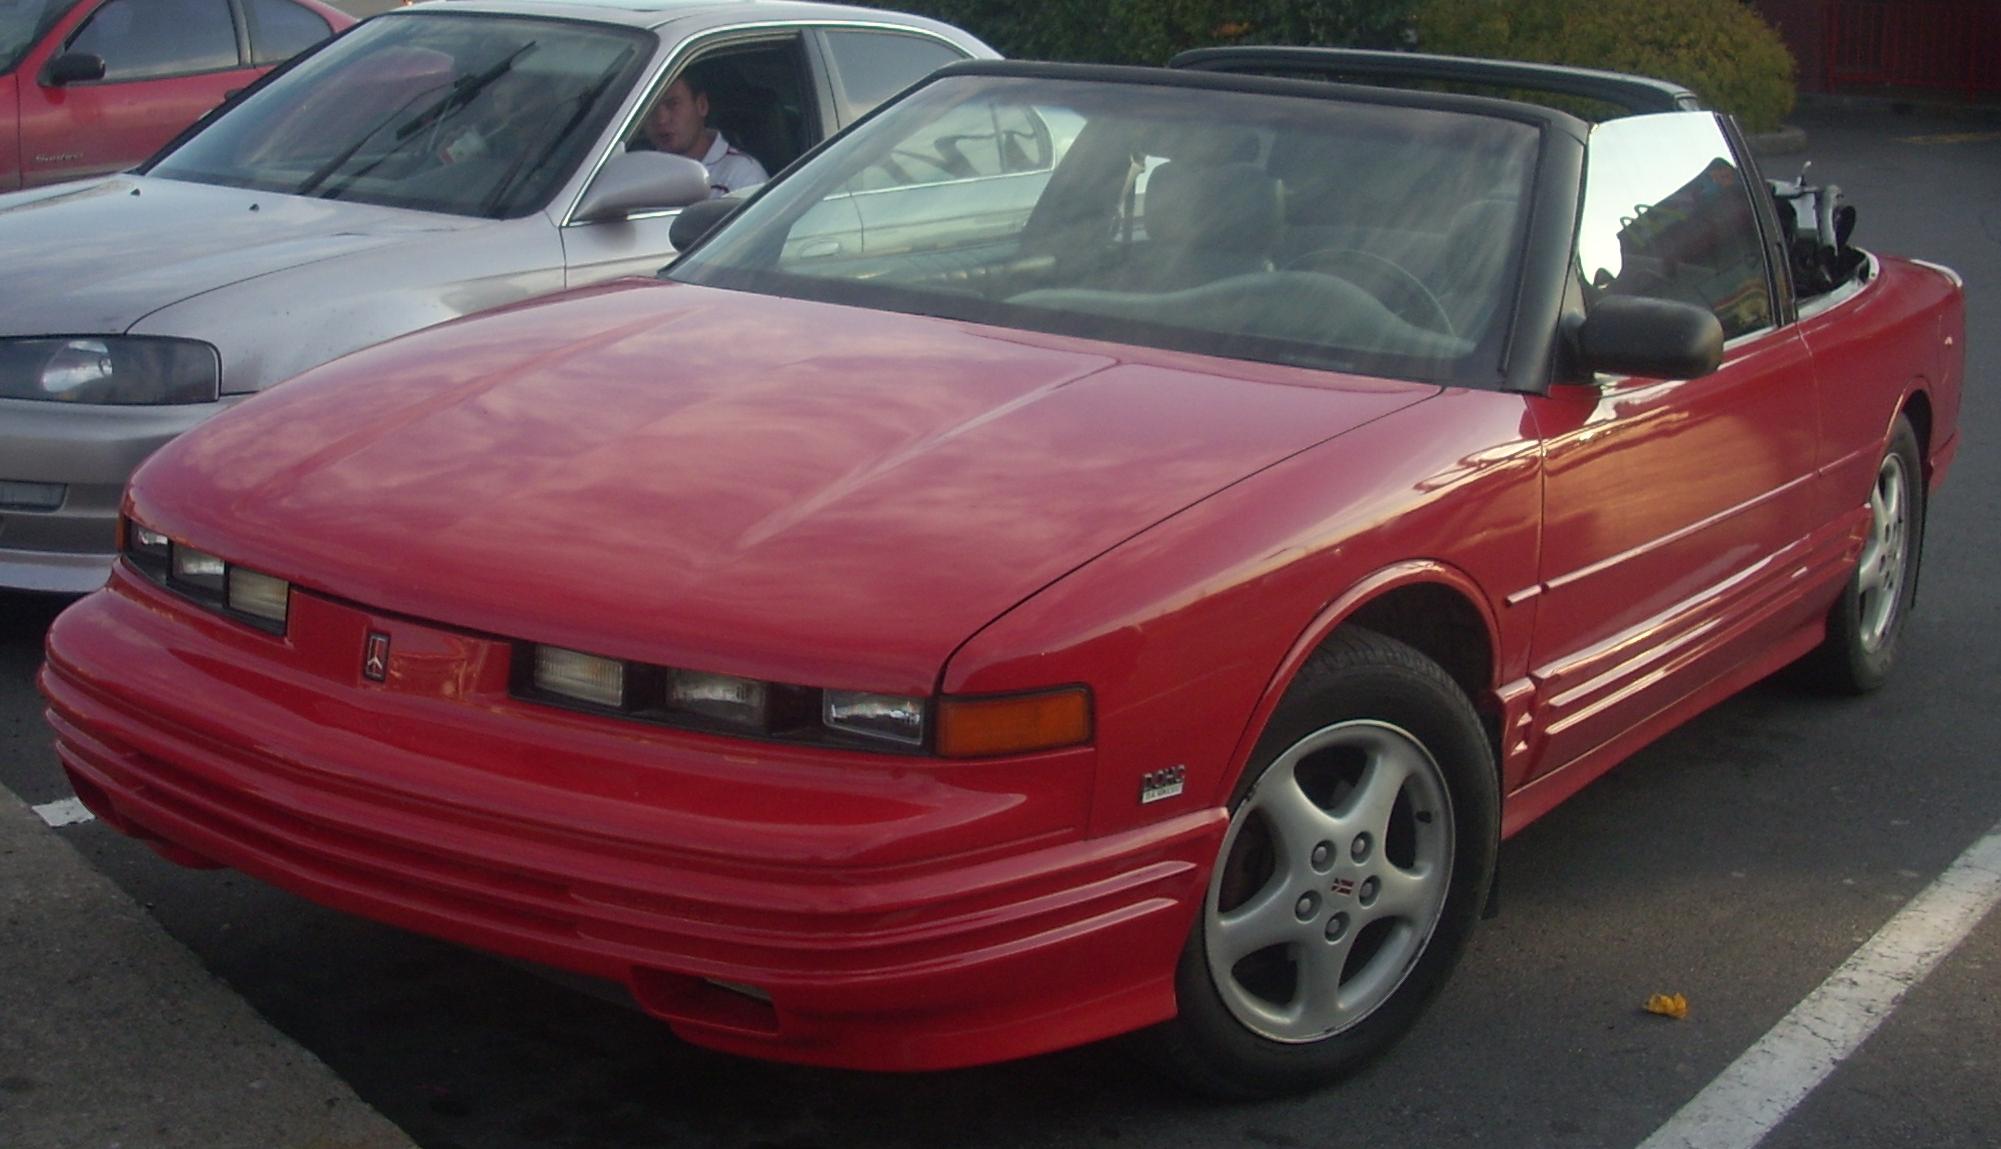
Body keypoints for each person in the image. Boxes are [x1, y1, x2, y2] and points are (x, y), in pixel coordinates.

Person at [635, 70, 767, 197]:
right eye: (651, 107)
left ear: (702, 105)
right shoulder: (638, 174)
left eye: (673, 104)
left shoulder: (741, 176)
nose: (661, 119)